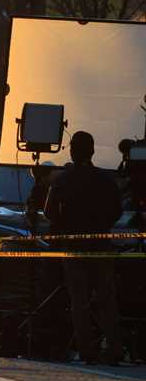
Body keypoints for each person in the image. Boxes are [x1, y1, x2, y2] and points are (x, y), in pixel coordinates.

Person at [43, 131, 124, 364]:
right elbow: (117, 210)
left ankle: (87, 349)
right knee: (107, 298)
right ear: (93, 151)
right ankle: (115, 347)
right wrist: (102, 224)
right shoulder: (106, 180)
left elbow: (49, 212)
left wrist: (64, 224)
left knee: (80, 300)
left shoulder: (62, 180)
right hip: (100, 246)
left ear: (72, 150)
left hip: (74, 247)